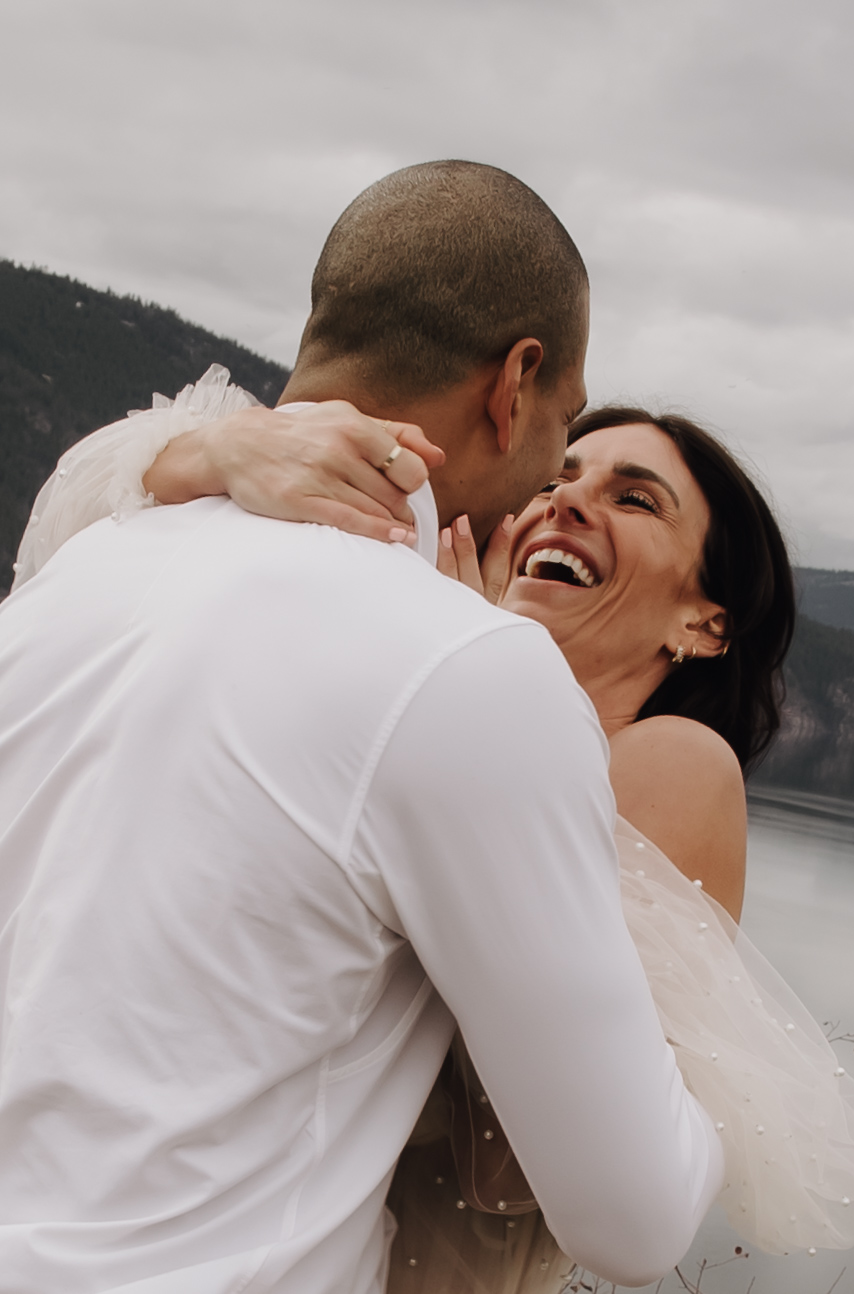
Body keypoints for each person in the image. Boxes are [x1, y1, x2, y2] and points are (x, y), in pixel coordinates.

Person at [0, 162, 727, 1294]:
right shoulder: (469, 669)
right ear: (515, 381)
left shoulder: (71, 578)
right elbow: (633, 1220)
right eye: (565, 427)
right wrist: (736, 1110)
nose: (551, 483)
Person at [15, 378, 854, 1292]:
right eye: (560, 477)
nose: (569, 500)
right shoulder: (425, 708)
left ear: (705, 622)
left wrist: (484, 680)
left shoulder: (675, 761)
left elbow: (506, 1164)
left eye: (632, 499)